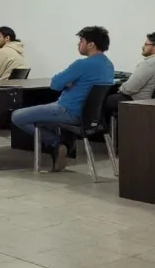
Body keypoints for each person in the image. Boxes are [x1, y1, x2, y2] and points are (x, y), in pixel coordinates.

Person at [11, 26, 114, 172]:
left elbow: (55, 84)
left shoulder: (82, 64)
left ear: (91, 44)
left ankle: (58, 143)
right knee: (44, 116)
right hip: (91, 117)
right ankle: (65, 143)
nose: (78, 44)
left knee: (17, 116)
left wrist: (69, 82)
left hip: (67, 110)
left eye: (81, 41)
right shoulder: (109, 65)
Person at [107, 32, 155, 109]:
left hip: (140, 104)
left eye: (146, 44)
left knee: (107, 99)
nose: (143, 47)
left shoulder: (149, 63)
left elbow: (128, 89)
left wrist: (119, 88)